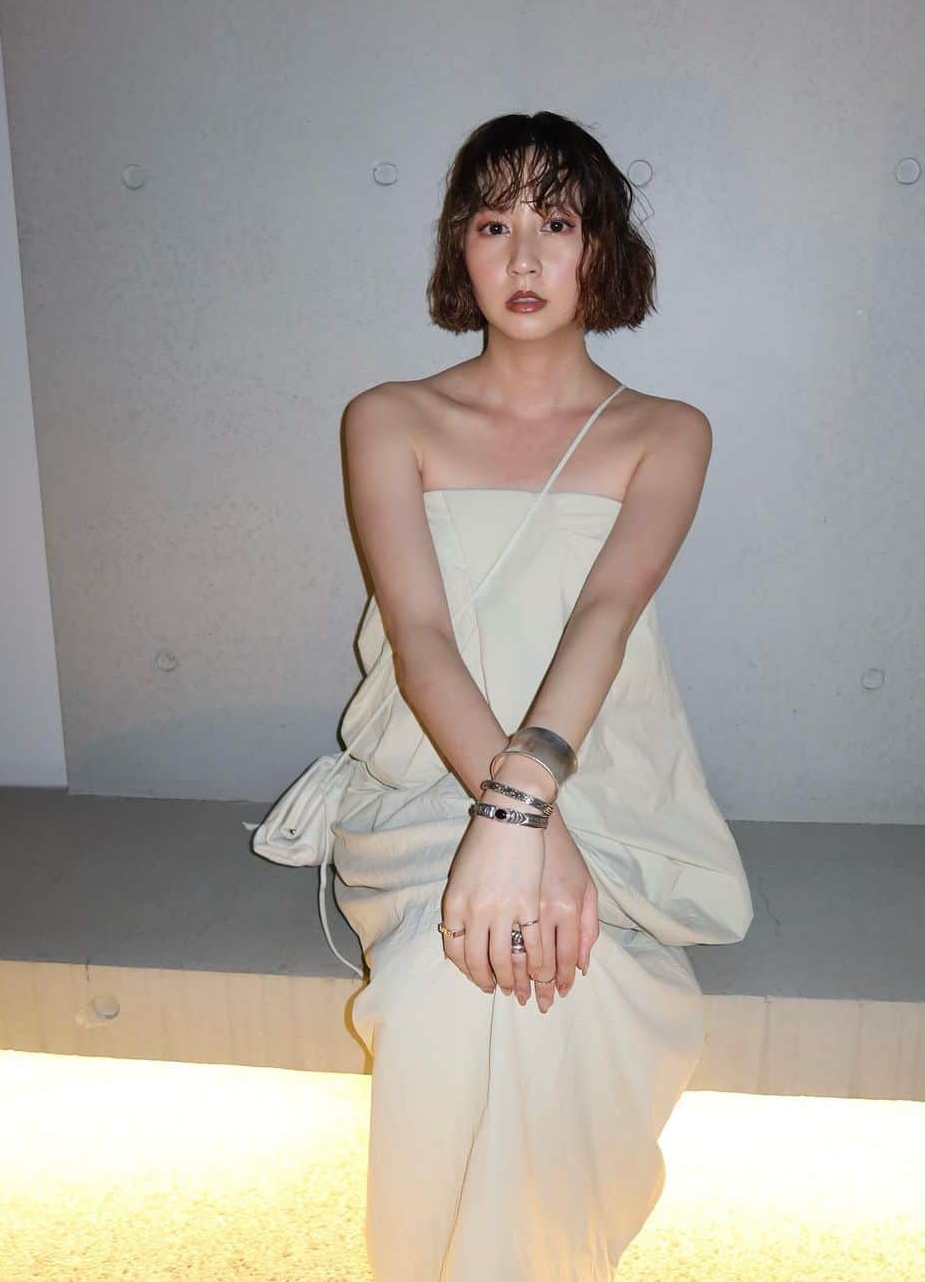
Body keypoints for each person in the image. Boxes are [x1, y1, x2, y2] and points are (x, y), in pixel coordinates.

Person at [330, 111, 753, 1281]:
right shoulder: (388, 419)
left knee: (561, 979)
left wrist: (533, 805)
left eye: (555, 222)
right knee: (454, 977)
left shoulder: (667, 433)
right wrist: (515, 819)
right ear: (459, 252)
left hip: (602, 776)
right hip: (429, 774)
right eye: (491, 225)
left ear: (599, 247)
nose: (522, 256)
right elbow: (419, 636)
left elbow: (604, 613)